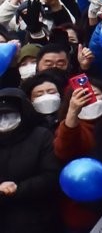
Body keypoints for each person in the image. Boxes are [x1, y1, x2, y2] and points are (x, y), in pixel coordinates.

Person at [0, 88, 62, 233]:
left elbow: (52, 175)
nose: (4, 120)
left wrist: (17, 189)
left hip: (36, 218)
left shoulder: (41, 136)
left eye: (9, 114)